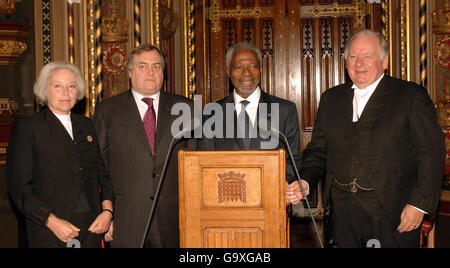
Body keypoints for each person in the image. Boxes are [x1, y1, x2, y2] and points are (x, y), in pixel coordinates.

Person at [297, 30, 446, 248]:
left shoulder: (410, 96)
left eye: (368, 56)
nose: (359, 63)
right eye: (353, 57)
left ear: (384, 61)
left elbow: (432, 153)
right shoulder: (331, 99)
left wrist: (418, 205)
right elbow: (318, 150)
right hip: (341, 215)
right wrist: (305, 180)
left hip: (392, 214)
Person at [93, 43, 195, 248]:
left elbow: (195, 164)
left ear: (163, 73)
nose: (151, 72)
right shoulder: (108, 111)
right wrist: (106, 213)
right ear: (130, 72)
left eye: (156, 66)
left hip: (173, 222)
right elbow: (98, 167)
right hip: (126, 222)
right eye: (143, 66)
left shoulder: (186, 108)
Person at [6, 62, 114, 248]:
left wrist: (108, 213)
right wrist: (52, 222)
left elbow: (101, 174)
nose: (66, 92)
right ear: (44, 90)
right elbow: (20, 190)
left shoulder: (87, 125)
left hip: (92, 227)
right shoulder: (28, 128)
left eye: (71, 86)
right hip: (50, 231)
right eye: (58, 86)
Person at [200, 42, 305, 203]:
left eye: (253, 66)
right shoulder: (212, 113)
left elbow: (293, 160)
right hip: (225, 202)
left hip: (270, 200)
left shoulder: (285, 110)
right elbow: (204, 163)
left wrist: (276, 185)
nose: (247, 73)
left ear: (261, 69)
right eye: (239, 67)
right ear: (228, 72)